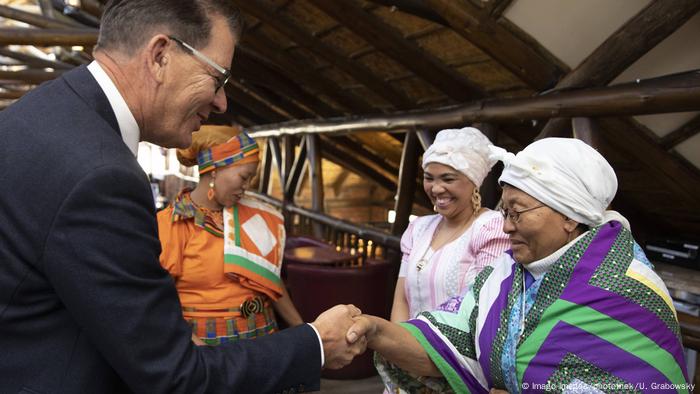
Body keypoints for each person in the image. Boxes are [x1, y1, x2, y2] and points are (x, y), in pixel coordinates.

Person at [0, 1, 364, 393]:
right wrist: (315, 344)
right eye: (218, 78)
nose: (222, 102)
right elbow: (174, 377)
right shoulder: (103, 177)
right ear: (160, 56)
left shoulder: (35, 114)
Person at [348, 138, 690, 393]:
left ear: (570, 216)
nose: (507, 225)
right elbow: (453, 336)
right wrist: (375, 331)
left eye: (518, 211)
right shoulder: (508, 272)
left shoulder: (623, 292)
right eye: (504, 211)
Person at [158, 124, 304, 345]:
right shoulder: (174, 223)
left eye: (251, 179)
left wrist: (304, 333)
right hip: (206, 347)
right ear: (215, 169)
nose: (247, 186)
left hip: (263, 338)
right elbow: (158, 301)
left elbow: (269, 279)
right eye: (244, 177)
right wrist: (200, 353)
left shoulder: (254, 217)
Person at [391, 127, 510, 323]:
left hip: (457, 352)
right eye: (429, 178)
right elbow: (401, 301)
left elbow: (484, 309)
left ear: (474, 183)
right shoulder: (418, 229)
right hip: (407, 346)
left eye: (448, 179)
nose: (436, 188)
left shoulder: (490, 229)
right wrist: (396, 347)